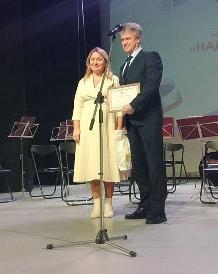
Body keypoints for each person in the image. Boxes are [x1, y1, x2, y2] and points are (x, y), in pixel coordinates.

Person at [119, 23, 168, 224]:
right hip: (132, 122)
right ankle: (145, 205)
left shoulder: (151, 57)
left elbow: (151, 86)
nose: (124, 43)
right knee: (139, 166)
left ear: (138, 39)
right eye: (122, 40)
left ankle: (158, 210)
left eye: (128, 39)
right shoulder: (124, 65)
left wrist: (133, 104)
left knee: (153, 164)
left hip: (149, 119)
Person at [72, 47, 123, 218]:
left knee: (107, 164)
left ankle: (108, 204)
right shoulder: (83, 81)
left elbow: (119, 106)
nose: (95, 62)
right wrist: (76, 128)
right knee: (91, 165)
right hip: (88, 125)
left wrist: (119, 127)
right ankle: (96, 205)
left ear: (105, 62)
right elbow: (77, 107)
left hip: (108, 123)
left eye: (99, 59)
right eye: (92, 59)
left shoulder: (113, 79)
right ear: (89, 62)